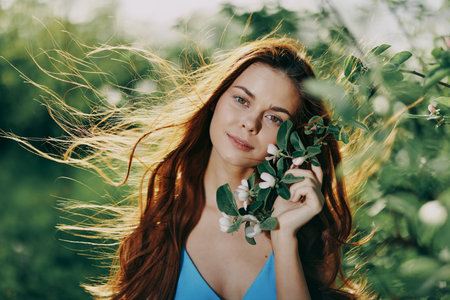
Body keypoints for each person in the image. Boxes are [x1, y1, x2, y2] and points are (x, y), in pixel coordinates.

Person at [13, 37, 364, 299]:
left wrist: (285, 237)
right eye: (241, 99)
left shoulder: (305, 235)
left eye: (274, 117)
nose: (250, 124)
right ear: (216, 102)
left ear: (292, 137)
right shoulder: (163, 222)